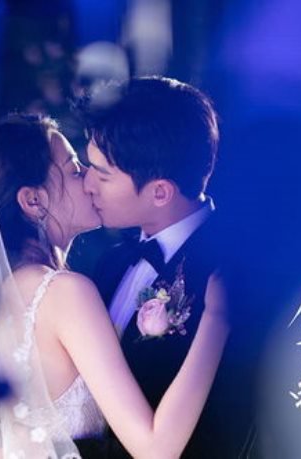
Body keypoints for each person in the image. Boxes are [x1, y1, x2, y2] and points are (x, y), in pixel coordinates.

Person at [0, 111, 229, 459]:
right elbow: (155, 449)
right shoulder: (64, 292)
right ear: (33, 201)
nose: (90, 180)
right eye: (75, 170)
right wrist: (218, 318)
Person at [77, 76, 253, 458]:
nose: (87, 184)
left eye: (102, 174)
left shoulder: (232, 276)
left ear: (160, 191)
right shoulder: (110, 263)